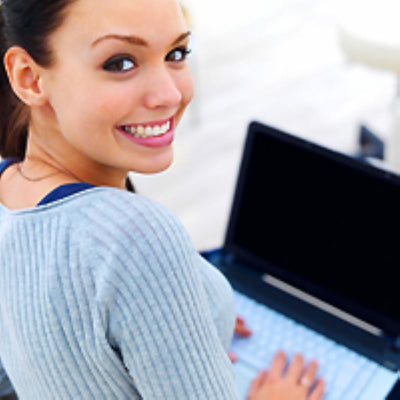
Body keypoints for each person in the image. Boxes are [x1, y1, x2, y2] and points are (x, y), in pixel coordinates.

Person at [0, 0, 325, 399]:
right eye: (120, 62)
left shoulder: (9, 187)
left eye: (176, 53)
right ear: (29, 78)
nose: (169, 94)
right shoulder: (136, 238)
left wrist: (179, 320)